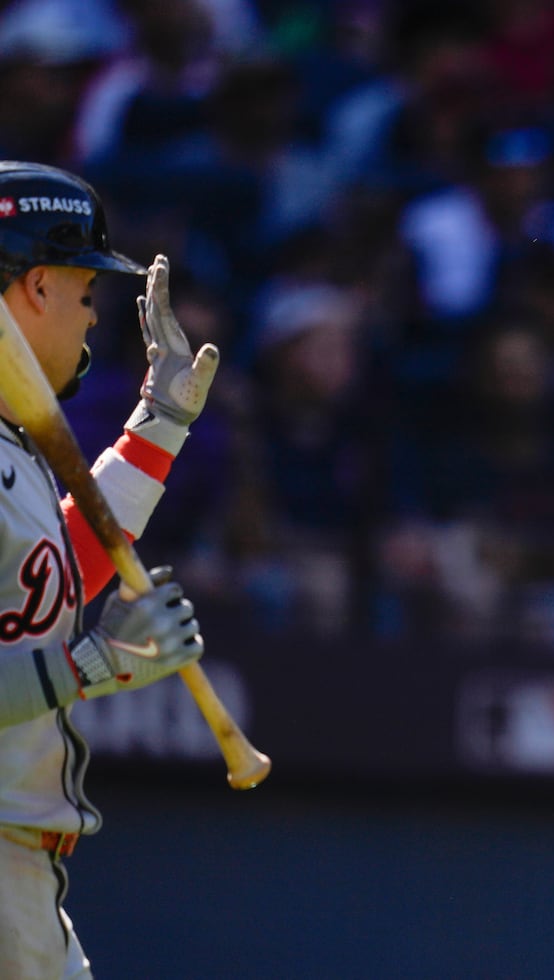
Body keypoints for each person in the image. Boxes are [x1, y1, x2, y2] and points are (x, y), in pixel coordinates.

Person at [0, 161, 217, 977]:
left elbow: (44, 586)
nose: (94, 321)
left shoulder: (12, 441)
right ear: (38, 285)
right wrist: (90, 664)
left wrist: (158, 425)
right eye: (87, 295)